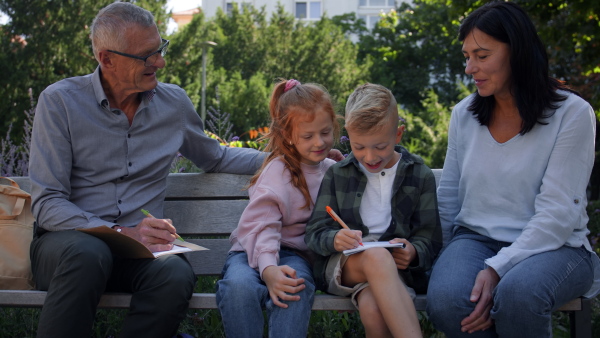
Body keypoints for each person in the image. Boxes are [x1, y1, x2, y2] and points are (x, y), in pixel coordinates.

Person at [28, 3, 265, 337]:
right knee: (88, 252)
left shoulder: (174, 104)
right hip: (67, 249)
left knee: (175, 274)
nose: (160, 62)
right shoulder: (60, 102)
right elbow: (48, 202)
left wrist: (291, 157)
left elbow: (215, 157)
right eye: (146, 55)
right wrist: (121, 232)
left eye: (159, 49)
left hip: (141, 253)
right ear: (106, 58)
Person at [426, 2, 600, 337]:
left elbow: (559, 214)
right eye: (467, 56)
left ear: (516, 52)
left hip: (558, 246)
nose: (469, 67)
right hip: (476, 239)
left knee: (518, 294)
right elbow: (448, 197)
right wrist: (440, 264)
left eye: (482, 55)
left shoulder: (573, 114)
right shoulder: (464, 114)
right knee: (448, 297)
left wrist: (498, 268)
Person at [305, 83, 442, 338]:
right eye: (359, 147)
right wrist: (335, 239)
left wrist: (413, 252)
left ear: (398, 135)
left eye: (380, 146)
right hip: (346, 268)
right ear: (348, 134)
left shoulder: (419, 175)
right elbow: (314, 233)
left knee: (372, 310)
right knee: (377, 258)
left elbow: (430, 238)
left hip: (397, 274)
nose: (369, 157)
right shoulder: (338, 174)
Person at [215, 79, 339, 337]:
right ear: (288, 136)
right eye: (308, 136)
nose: (319, 142)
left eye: (325, 132)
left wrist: (342, 164)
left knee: (295, 286)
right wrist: (269, 268)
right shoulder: (277, 171)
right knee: (239, 288)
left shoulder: (331, 170)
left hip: (296, 256)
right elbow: (264, 226)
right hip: (249, 251)